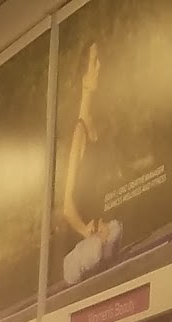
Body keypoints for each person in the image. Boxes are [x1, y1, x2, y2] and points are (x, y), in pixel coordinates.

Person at [59, 40, 123, 288]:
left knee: (116, 229)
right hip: (79, 245)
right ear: (84, 78)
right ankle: (82, 262)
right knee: (96, 249)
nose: (100, 67)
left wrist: (101, 225)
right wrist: (88, 231)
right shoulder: (79, 132)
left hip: (96, 233)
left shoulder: (98, 128)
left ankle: (101, 251)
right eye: (94, 62)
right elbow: (67, 208)